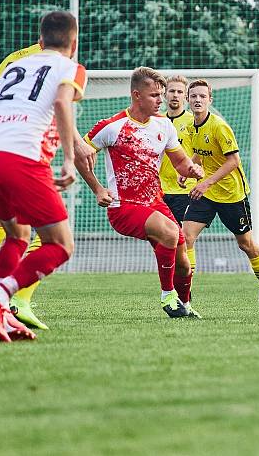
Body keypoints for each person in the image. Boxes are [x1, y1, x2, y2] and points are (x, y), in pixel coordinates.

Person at [0, 10, 88, 342]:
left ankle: (3, 315)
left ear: (40, 40)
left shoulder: (12, 68)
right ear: (73, 43)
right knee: (60, 245)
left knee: (17, 236)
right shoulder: (71, 68)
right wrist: (70, 160)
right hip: (21, 159)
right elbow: (61, 103)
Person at [75, 67, 205, 319]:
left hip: (155, 202)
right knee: (169, 233)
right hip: (123, 206)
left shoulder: (164, 125)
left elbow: (180, 163)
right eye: (155, 95)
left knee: (183, 262)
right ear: (137, 95)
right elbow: (80, 154)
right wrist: (98, 188)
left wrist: (192, 169)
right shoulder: (112, 126)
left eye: (162, 94)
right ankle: (168, 296)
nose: (161, 100)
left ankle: (186, 307)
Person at [181, 79, 259, 303]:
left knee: (245, 244)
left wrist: (206, 182)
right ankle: (185, 292)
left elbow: (233, 161)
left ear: (209, 100)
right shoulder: (191, 126)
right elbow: (200, 152)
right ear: (188, 99)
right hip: (206, 194)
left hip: (231, 194)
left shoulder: (218, 125)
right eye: (194, 96)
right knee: (186, 237)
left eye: (202, 96)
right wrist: (187, 169)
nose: (197, 100)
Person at [158, 75, 199, 305]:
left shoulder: (193, 122)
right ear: (165, 95)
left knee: (185, 241)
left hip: (186, 191)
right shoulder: (157, 121)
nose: (174, 95)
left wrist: (193, 171)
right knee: (168, 243)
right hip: (161, 191)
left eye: (179, 92)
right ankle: (173, 289)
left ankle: (186, 292)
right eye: (171, 91)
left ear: (185, 96)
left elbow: (203, 152)